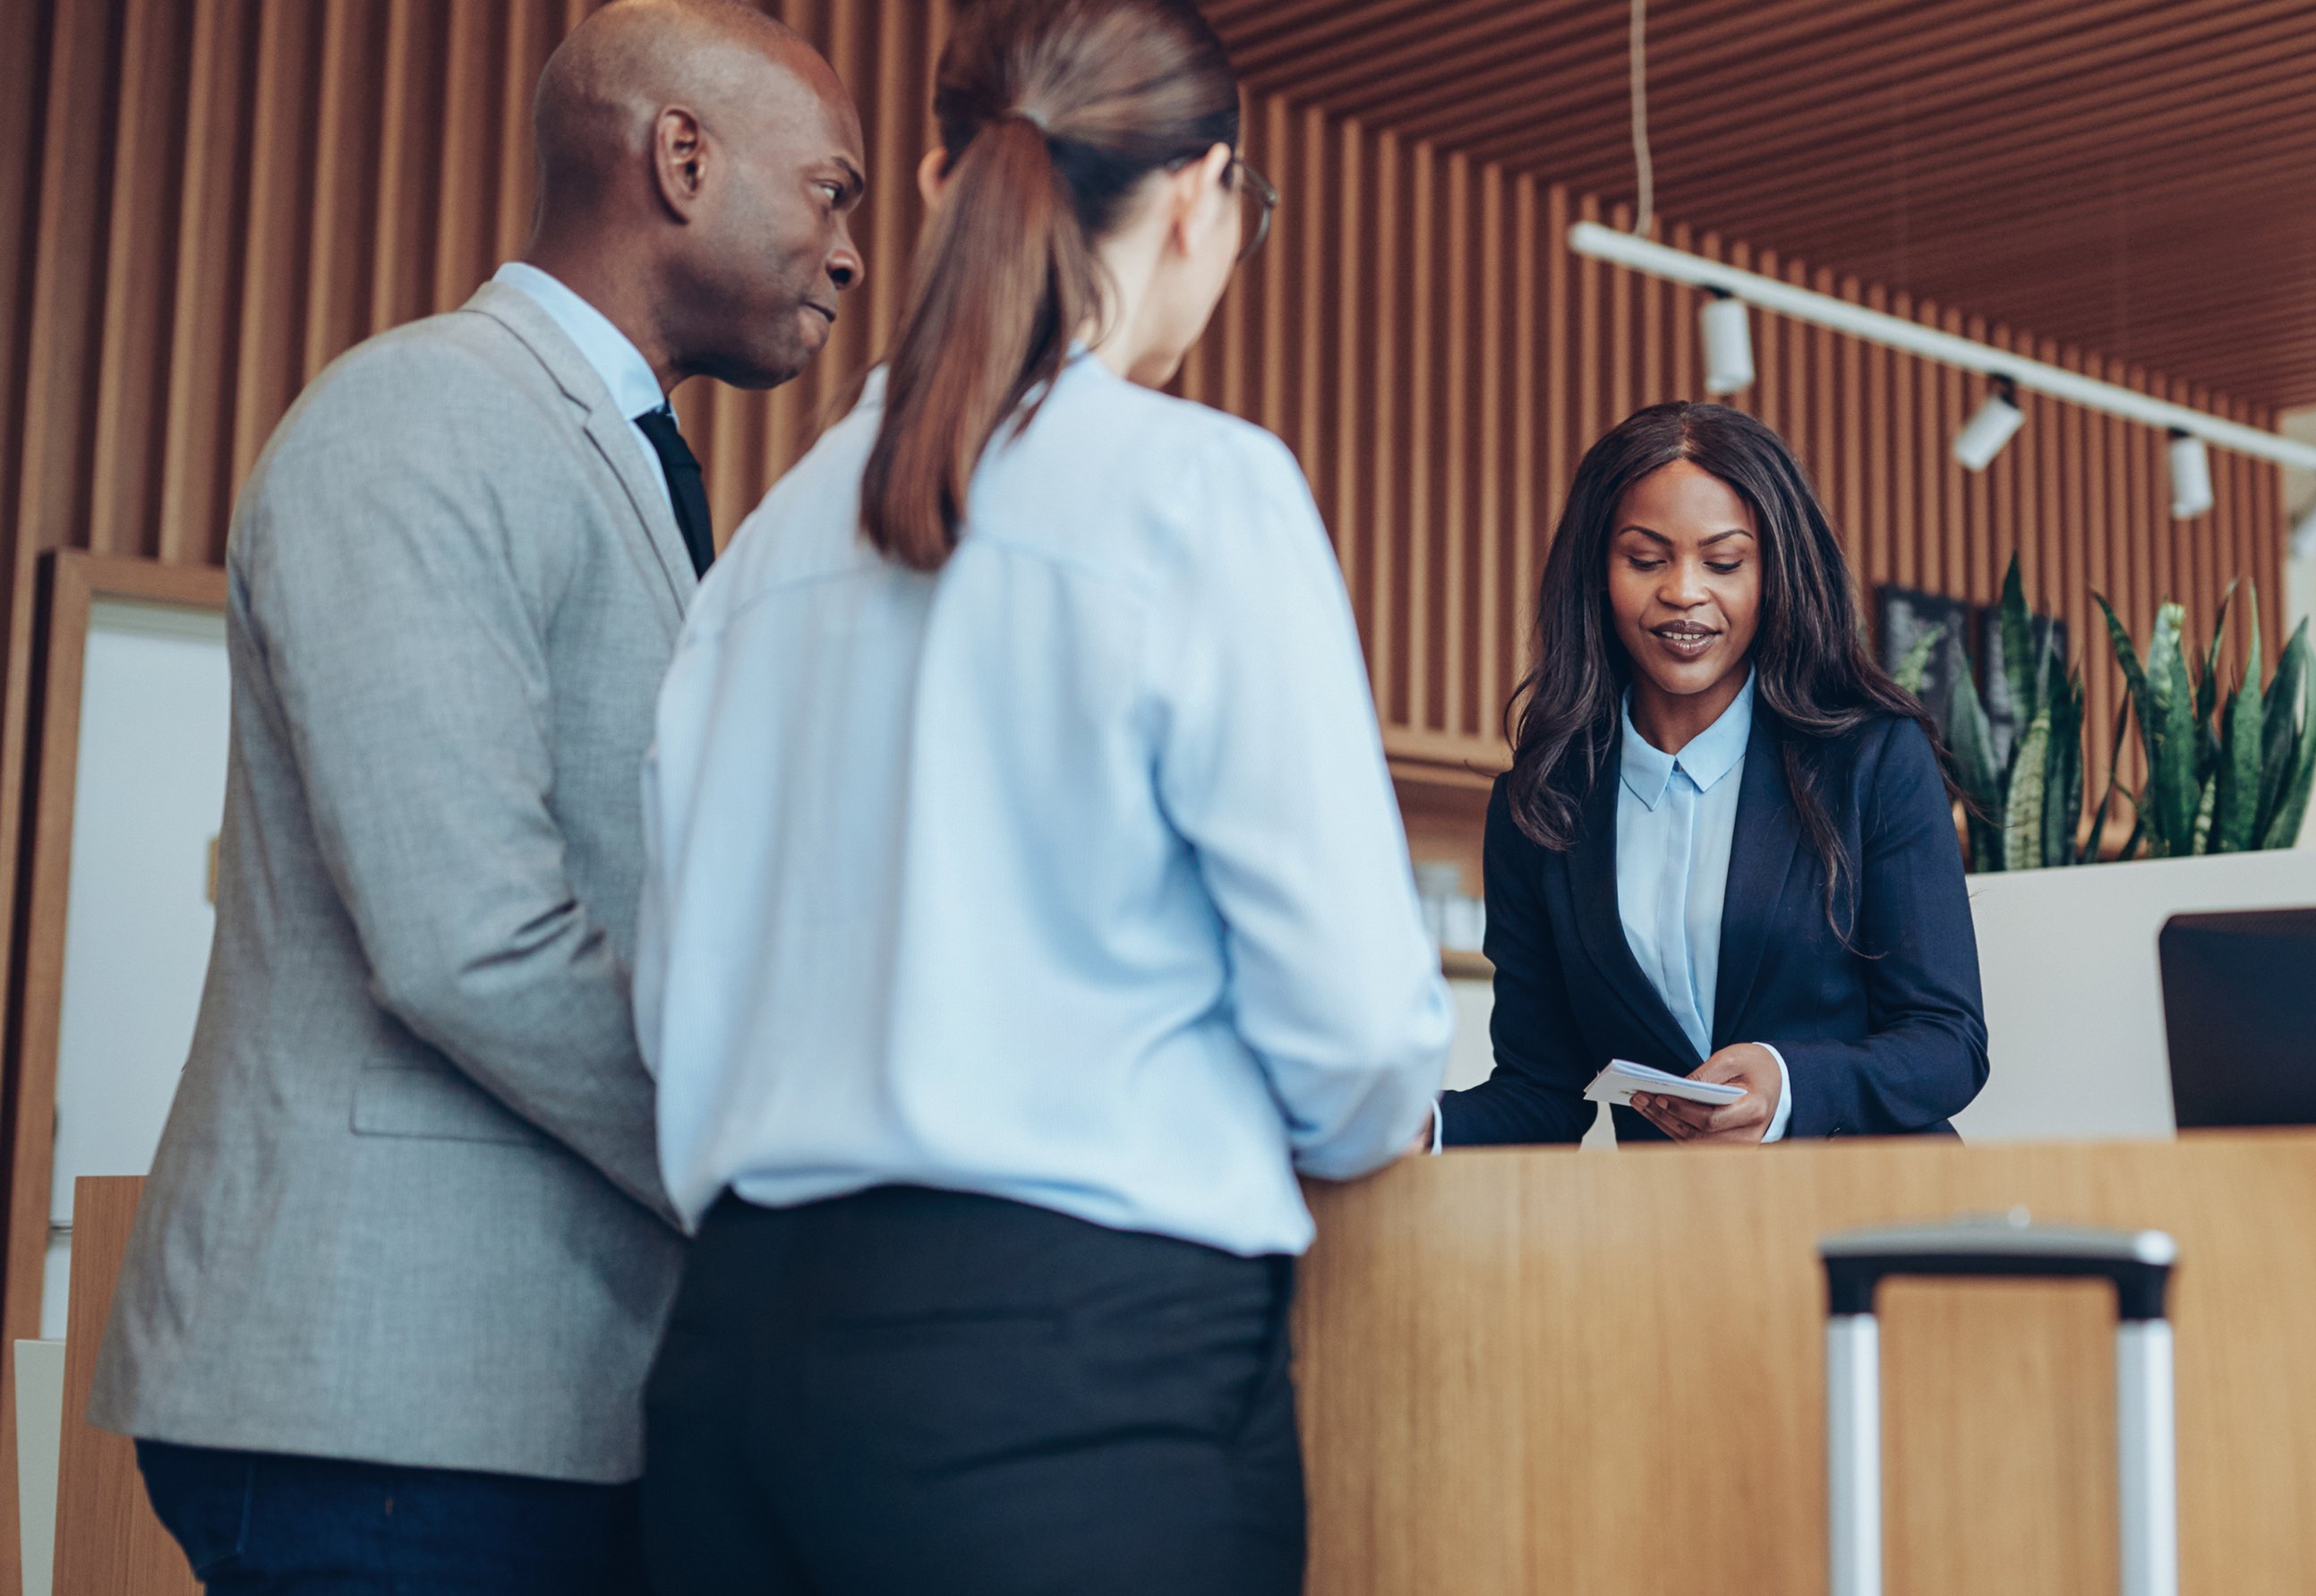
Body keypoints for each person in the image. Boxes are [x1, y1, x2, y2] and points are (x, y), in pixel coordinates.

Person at [630, 1, 1444, 1589]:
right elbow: (1355, 1029)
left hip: (736, 1364)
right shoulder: (1199, 490)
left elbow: (676, 1003)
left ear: (942, 180)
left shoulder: (772, 542)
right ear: (1201, 198)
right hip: (1072, 1373)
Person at [90, 4, 867, 1588]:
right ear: (682, 156)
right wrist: (764, 1169)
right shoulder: (427, 413)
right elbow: (468, 935)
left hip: (521, 1404)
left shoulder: (614, 453)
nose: (850, 252)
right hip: (386, 1398)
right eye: (831, 191)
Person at [1436, 402, 1987, 1147]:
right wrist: (1422, 1124)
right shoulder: (1541, 806)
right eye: (1645, 559)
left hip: (1871, 1201)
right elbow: (1541, 1091)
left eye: (1724, 563)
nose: (1685, 591)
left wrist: (1787, 1084)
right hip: (1676, 1213)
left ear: (1774, 574)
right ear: (1597, 574)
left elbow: (1949, 1042)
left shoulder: (1871, 758)